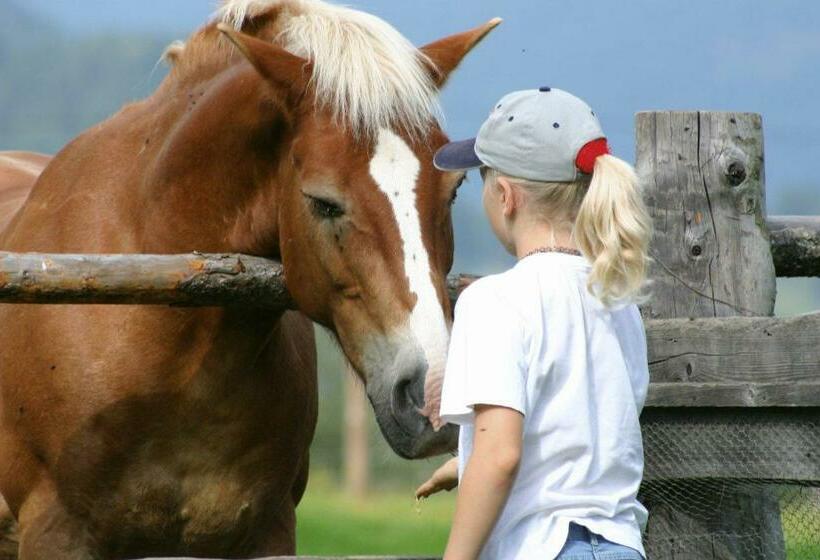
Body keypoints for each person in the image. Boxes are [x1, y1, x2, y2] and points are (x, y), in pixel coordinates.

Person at [416, 87, 653, 560]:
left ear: (505, 196)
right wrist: (468, 460)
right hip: (622, 546)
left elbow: (501, 455)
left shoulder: (494, 300)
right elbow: (581, 436)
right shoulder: (618, 302)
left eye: (482, 179)